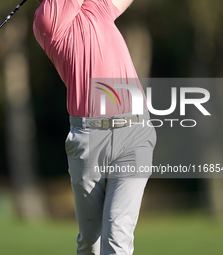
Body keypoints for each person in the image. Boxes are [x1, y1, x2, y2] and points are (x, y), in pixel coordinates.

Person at [33, 0, 156, 254]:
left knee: (117, 236)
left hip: (135, 133)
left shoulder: (95, 7)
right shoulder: (46, 19)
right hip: (89, 140)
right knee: (91, 241)